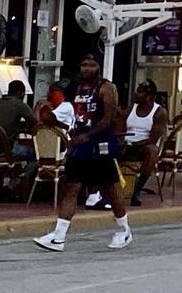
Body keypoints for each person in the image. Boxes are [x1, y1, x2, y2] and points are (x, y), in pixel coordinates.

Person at [35, 52, 133, 251]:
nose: (86, 68)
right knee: (71, 188)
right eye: (83, 64)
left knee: (110, 189)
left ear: (98, 67)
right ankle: (59, 236)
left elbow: (109, 118)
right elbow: (69, 113)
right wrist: (57, 122)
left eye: (91, 65)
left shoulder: (106, 88)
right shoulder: (74, 89)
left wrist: (87, 135)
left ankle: (124, 230)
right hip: (80, 147)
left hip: (101, 146)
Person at [120, 80, 166, 207]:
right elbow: (119, 131)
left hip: (142, 147)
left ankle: (137, 191)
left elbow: (153, 139)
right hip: (126, 145)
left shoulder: (159, 112)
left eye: (139, 92)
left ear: (149, 96)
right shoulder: (129, 110)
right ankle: (101, 190)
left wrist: (134, 145)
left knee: (152, 151)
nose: (135, 94)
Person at [0, 80, 32, 146]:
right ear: (20, 92)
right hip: (6, 149)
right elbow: (35, 124)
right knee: (33, 152)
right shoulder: (19, 104)